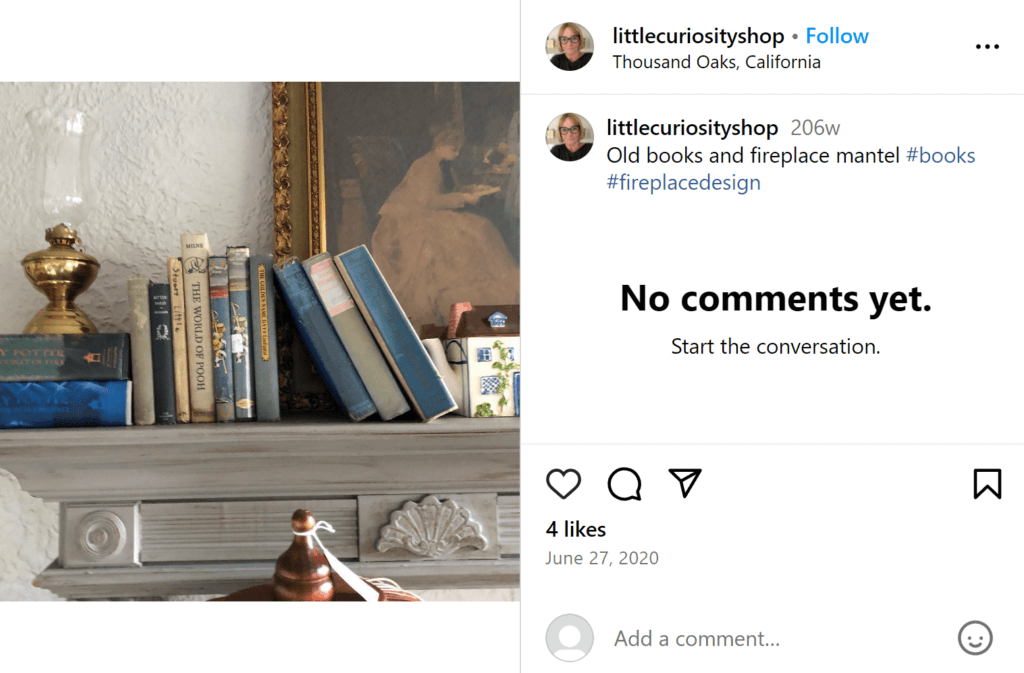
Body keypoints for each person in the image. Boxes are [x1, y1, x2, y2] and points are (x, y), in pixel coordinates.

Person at [370, 127, 520, 328]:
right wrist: (463, 198)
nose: (456, 154)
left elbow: (437, 194)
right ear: (440, 146)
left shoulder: (435, 164)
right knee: (477, 228)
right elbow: (428, 202)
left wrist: (467, 191)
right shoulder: (426, 166)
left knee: (481, 226)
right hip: (411, 220)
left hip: (424, 213)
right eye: (453, 149)